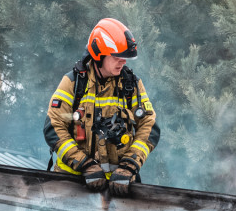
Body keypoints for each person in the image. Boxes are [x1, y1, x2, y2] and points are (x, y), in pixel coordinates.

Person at [44, 18, 160, 196]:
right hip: (71, 185)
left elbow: (149, 126)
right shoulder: (74, 83)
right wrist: (84, 164)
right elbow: (54, 127)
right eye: (116, 57)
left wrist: (130, 166)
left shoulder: (132, 85)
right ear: (99, 54)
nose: (123, 62)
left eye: (125, 58)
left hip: (120, 186)